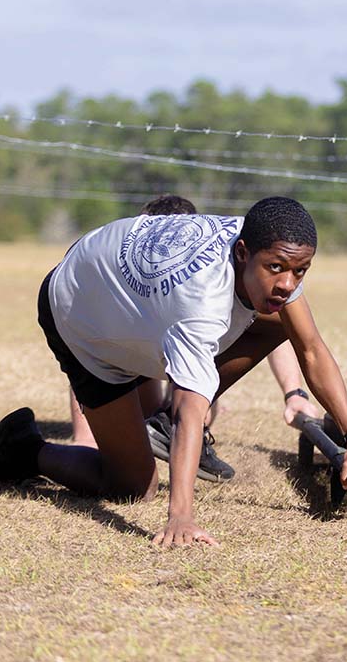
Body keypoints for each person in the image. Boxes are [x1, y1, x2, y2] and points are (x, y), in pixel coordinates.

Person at [0, 196, 347, 547]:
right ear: (242, 253)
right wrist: (181, 517)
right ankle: (23, 450)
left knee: (281, 323)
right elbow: (189, 410)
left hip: (125, 290)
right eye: (276, 268)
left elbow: (311, 350)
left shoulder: (269, 245)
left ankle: (161, 419)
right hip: (81, 314)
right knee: (134, 486)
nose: (287, 284)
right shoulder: (200, 302)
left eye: (300, 271)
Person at [69, 194, 322, 483]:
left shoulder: (205, 279)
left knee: (185, 407)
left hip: (164, 356)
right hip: (126, 351)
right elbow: (86, 354)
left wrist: (294, 393)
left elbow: (278, 326)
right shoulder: (127, 293)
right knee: (132, 473)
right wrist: (86, 440)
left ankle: (168, 426)